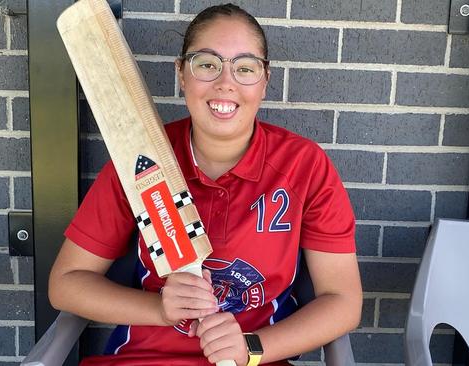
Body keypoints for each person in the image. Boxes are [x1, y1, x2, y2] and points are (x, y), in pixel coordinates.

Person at [49, 4, 362, 366]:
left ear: (264, 81)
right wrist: (158, 308)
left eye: (244, 68)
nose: (225, 82)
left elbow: (342, 300)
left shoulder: (305, 166)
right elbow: (66, 283)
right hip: (145, 359)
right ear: (182, 73)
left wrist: (252, 348)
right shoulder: (138, 162)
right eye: (207, 64)